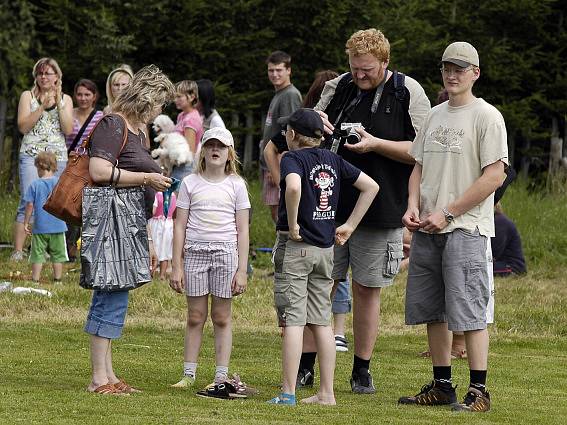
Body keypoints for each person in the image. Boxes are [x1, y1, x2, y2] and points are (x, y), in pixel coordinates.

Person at [310, 28, 431, 394]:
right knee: (319, 284)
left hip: (382, 207)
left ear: (385, 62)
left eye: (367, 70)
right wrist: (320, 127)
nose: (359, 76)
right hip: (329, 204)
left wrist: (375, 144)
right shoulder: (340, 86)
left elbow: (423, 150)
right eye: (354, 68)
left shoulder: (408, 91)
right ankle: (304, 364)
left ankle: (361, 368)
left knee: (367, 288)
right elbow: (308, 130)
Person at [398, 41, 508, 412]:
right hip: (429, 227)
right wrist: (413, 206)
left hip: (467, 228)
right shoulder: (434, 115)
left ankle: (479, 391)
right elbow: (418, 166)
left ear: (475, 73)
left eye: (460, 68)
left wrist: (448, 212)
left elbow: (494, 177)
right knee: (433, 308)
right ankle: (442, 384)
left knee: (469, 309)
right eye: (447, 68)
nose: (452, 74)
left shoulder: (487, 116)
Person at [267, 108, 379, 406]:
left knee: (293, 320)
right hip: (326, 250)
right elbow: (371, 186)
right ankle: (326, 393)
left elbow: (292, 187)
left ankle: (288, 392)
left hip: (298, 247)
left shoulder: (292, 158)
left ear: (291, 135)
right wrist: (350, 225)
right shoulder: (333, 159)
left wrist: (292, 225)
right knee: (321, 321)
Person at [85, 65, 174, 395]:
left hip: (130, 222)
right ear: (147, 98)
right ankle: (98, 378)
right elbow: (98, 169)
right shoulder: (114, 123)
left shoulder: (139, 130)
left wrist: (148, 238)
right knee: (109, 294)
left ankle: (108, 376)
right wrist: (147, 178)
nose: (161, 111)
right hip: (110, 221)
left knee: (115, 295)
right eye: (160, 104)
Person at [169, 127, 250, 393]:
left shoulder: (237, 185)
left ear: (229, 154)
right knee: (195, 315)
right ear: (202, 151)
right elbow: (179, 225)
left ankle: (221, 376)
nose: (215, 150)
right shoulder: (190, 183)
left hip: (226, 253)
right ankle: (188, 373)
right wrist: (176, 265)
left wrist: (242, 270)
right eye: (210, 145)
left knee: (221, 316)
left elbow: (243, 230)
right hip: (195, 253)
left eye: (221, 146)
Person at [12, 57, 73, 262]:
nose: (44, 76)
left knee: (54, 202)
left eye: (48, 73)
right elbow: (22, 127)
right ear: (35, 76)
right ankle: (18, 251)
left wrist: (58, 101)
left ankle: (47, 249)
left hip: (57, 156)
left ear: (57, 76)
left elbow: (67, 129)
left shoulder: (66, 99)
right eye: (40, 73)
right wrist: (41, 107)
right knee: (28, 199)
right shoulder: (27, 96)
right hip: (31, 154)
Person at [260, 51, 302, 224]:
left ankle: (285, 249)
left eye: (279, 70)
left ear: (289, 70)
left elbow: (289, 133)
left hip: (278, 164)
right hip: (270, 163)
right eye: (271, 70)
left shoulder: (290, 95)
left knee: (282, 215)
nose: (275, 74)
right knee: (275, 214)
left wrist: (275, 166)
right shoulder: (279, 93)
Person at [65, 79, 104, 261]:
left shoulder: (100, 116)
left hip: (89, 167)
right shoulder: (68, 113)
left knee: (87, 207)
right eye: (79, 94)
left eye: (87, 94)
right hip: (69, 165)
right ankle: (68, 248)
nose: (83, 98)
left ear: (94, 96)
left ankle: (85, 249)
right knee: (67, 205)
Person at [23, 152, 68, 282]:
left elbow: (30, 205)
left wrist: (26, 222)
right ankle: (57, 280)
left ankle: (35, 280)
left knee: (37, 254)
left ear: (40, 166)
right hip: (58, 225)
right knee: (58, 254)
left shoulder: (35, 185)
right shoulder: (59, 183)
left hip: (40, 226)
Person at [170, 80, 204, 181]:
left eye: (179, 97)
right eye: (175, 97)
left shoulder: (191, 119)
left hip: (185, 168)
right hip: (177, 164)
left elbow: (190, 152)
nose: (175, 100)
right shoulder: (181, 115)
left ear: (192, 96)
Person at [148, 190, 177, 280]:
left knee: (154, 248)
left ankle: (150, 273)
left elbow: (153, 211)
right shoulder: (173, 195)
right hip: (169, 223)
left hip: (157, 223)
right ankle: (162, 275)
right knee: (166, 249)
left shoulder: (157, 195)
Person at [492, 202, 526, 276]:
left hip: (512, 266)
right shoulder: (496, 220)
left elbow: (495, 252)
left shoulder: (500, 221)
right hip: (501, 263)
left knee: (479, 269)